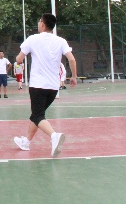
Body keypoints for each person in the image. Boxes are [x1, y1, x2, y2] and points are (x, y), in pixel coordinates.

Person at [13, 13, 77, 157]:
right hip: (53, 87)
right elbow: (72, 59)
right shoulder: (61, 41)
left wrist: (18, 60)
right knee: (37, 115)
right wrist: (73, 76)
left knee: (38, 115)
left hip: (38, 85)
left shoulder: (32, 39)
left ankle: (54, 136)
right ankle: (26, 142)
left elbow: (19, 58)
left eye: (39, 21)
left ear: (42, 23)